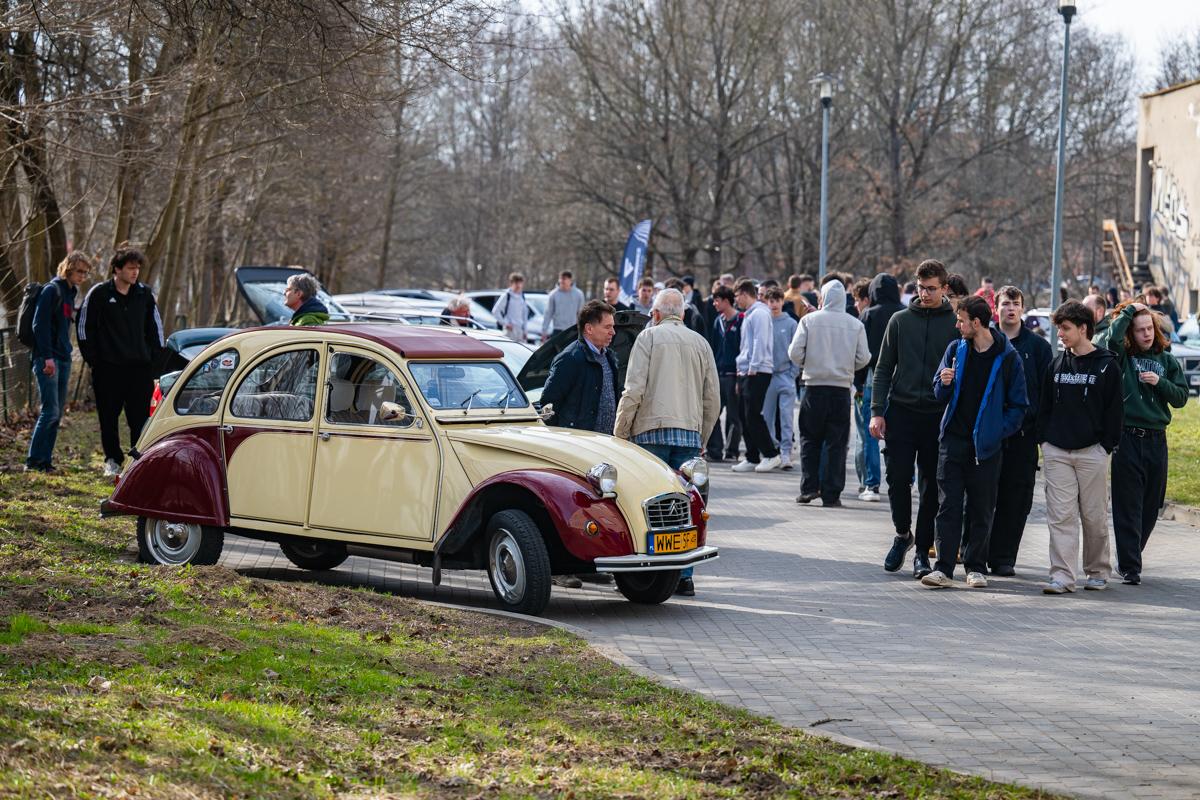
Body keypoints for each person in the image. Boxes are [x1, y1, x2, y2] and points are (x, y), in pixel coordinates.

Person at [614, 288, 720, 597]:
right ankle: (684, 575)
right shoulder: (701, 343)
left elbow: (633, 390)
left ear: (656, 314)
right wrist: (703, 437)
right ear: (683, 315)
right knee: (686, 508)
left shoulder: (647, 339)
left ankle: (654, 572)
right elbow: (712, 398)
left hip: (650, 434)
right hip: (688, 436)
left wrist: (620, 433)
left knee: (650, 508)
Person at [920, 296, 1027, 589]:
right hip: (952, 442)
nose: (957, 325)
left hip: (986, 448)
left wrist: (996, 431)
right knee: (948, 506)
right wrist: (942, 382)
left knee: (981, 508)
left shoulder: (1007, 357)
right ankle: (943, 568)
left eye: (961, 320)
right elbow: (938, 393)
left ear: (976, 323)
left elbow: (1019, 405)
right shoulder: (956, 349)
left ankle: (975, 567)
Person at [871, 259, 958, 578]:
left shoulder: (955, 322)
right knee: (896, 478)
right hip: (902, 411)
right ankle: (901, 534)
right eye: (920, 288)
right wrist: (877, 411)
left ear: (944, 288)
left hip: (938, 414)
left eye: (931, 288)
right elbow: (882, 369)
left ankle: (922, 551)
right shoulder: (899, 321)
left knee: (931, 487)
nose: (924, 293)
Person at [1096, 301, 1188, 586]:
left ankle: (1132, 554)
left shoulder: (1167, 360)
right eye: (1140, 330)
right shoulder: (1123, 356)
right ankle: (1130, 566)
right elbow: (1111, 338)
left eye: (1150, 329)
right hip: (1128, 438)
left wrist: (1159, 382)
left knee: (1151, 506)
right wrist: (1128, 312)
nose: (1147, 334)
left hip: (1156, 440)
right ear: (1131, 334)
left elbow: (1181, 397)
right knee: (1128, 506)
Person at [1038, 300, 1123, 594]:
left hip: (1093, 452)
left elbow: (1115, 412)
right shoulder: (1057, 363)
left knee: (1093, 516)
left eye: (1065, 328)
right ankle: (1062, 576)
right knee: (1060, 517)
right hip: (1058, 451)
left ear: (1083, 328)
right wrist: (1045, 441)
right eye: (1059, 328)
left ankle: (1097, 570)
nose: (1060, 334)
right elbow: (1044, 405)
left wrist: (1105, 447)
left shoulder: (1107, 365)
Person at [77, 245, 165, 477]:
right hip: (108, 369)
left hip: (139, 369)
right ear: (117, 269)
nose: (135, 272)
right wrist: (94, 360)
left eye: (137, 268)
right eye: (130, 268)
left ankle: (137, 460)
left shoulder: (145, 295)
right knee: (108, 417)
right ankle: (112, 460)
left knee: (140, 418)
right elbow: (85, 328)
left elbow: (156, 329)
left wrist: (154, 361)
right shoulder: (99, 294)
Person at [986, 286, 1053, 576]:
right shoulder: (985, 341)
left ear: (1022, 308)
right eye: (1005, 304)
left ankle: (1003, 558)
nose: (1010, 309)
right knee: (984, 496)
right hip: (991, 434)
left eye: (1015, 303)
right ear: (996, 308)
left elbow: (1047, 393)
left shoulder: (1038, 348)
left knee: (1017, 500)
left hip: (1024, 436)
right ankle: (978, 552)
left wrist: (1040, 431)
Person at [789, 279, 871, 507]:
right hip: (841, 389)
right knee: (836, 443)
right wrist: (846, 367)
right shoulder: (855, 325)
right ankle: (831, 493)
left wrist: (809, 362)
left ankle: (808, 487)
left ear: (822, 298)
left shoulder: (809, 321)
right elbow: (864, 358)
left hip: (813, 387)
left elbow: (794, 352)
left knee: (809, 440)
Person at [25, 252, 91, 473]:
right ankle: (33, 461)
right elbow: (39, 326)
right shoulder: (51, 290)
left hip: (64, 357)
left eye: (85, 272)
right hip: (48, 359)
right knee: (49, 411)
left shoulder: (70, 293)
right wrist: (47, 357)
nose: (83, 276)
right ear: (69, 268)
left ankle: (45, 461)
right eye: (79, 271)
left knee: (57, 413)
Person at [856, 273, 905, 502]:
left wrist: (856, 382)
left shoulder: (869, 314)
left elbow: (861, 352)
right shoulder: (904, 313)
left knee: (871, 435)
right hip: (901, 381)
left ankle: (872, 484)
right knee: (902, 436)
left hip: (873, 378)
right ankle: (909, 480)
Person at [540, 300, 620, 433]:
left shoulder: (610, 358)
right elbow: (549, 407)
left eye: (613, 327)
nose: (613, 332)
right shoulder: (569, 359)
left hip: (607, 443)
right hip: (580, 444)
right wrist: (567, 436)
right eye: (607, 327)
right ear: (589, 328)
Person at [731, 279, 781, 473]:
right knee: (743, 414)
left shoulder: (759, 313)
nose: (736, 301)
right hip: (747, 369)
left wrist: (753, 366)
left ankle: (770, 454)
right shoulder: (751, 314)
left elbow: (760, 341)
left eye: (737, 296)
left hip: (758, 370)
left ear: (744, 294)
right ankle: (752, 456)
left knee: (753, 414)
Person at [762, 287, 799, 470]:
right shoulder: (765, 322)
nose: (774, 304)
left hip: (785, 375)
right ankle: (772, 450)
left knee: (786, 416)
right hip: (767, 376)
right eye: (771, 301)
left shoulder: (791, 323)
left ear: (782, 302)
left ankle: (785, 452)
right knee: (766, 417)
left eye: (777, 300)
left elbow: (797, 349)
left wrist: (793, 373)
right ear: (766, 302)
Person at [706, 285, 743, 462]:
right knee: (713, 412)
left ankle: (732, 450)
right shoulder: (717, 321)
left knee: (735, 416)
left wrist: (739, 376)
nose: (714, 303)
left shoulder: (741, 320)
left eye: (717, 300)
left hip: (734, 374)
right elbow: (713, 347)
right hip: (718, 374)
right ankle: (715, 449)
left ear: (726, 301)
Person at [544, 270, 585, 340]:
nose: (562, 282)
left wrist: (582, 330)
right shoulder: (553, 294)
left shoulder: (579, 294)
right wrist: (544, 330)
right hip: (558, 330)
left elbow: (581, 313)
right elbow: (548, 313)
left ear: (570, 281)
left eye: (565, 280)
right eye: (561, 280)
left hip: (572, 330)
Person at [494, 272, 528, 342]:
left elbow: (524, 315)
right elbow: (495, 311)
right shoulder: (506, 296)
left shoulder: (522, 296)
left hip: (520, 330)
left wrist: (525, 330)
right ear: (511, 284)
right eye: (516, 283)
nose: (518, 286)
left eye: (520, 283)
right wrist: (505, 324)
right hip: (510, 331)